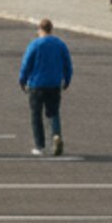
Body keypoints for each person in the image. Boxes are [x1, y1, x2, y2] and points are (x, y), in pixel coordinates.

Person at [18, 16, 73, 157]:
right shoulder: (60, 44)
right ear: (51, 29)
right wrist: (67, 79)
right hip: (54, 84)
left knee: (36, 115)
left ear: (40, 29)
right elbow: (67, 63)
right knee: (53, 113)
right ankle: (56, 135)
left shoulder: (35, 45)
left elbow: (26, 63)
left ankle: (39, 146)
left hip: (36, 84)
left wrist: (22, 80)